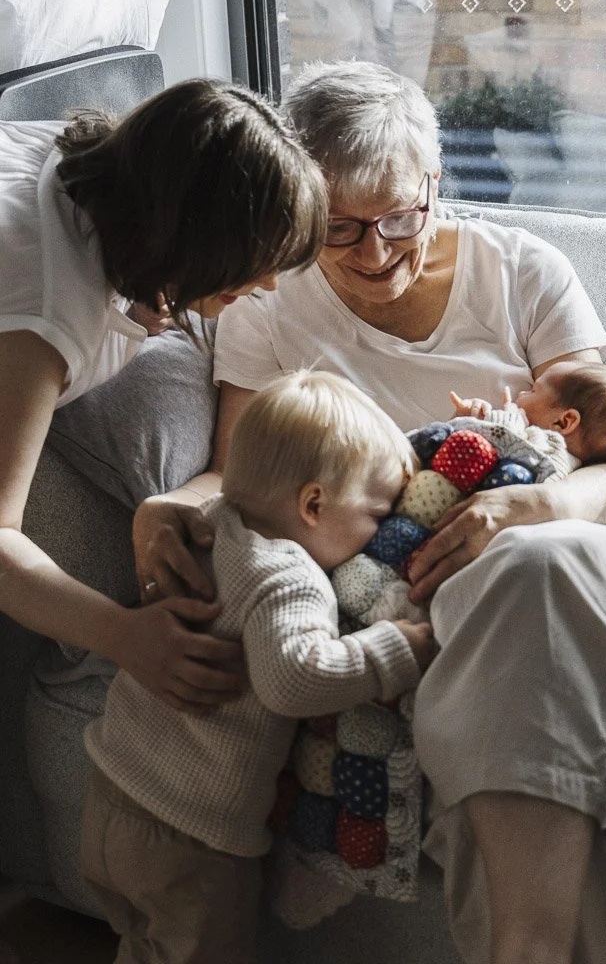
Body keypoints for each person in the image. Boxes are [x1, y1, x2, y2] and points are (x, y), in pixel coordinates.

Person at [135, 60, 606, 964]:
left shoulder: (520, 270)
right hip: (425, 595)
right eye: (338, 229)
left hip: (585, 552)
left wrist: (533, 504)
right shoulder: (268, 307)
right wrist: (165, 505)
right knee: (464, 659)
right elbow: (235, 473)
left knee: (521, 571)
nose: (375, 251)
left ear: (433, 182)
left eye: (397, 217)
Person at [81, 369, 433, 964]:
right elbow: (294, 679)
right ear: (314, 503)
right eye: (375, 515)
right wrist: (397, 648)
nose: (378, 535)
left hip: (110, 795)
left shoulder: (209, 522)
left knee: (138, 944)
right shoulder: (289, 576)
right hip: (192, 838)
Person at [0, 76, 328, 713]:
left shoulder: (86, 162)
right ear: (191, 237)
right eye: (253, 263)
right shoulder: (44, 321)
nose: (266, 286)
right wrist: (123, 636)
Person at [449, 359, 606, 479]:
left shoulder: (549, 453)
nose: (521, 395)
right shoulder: (568, 466)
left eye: (533, 390)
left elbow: (506, 440)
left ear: (563, 422)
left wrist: (488, 417)